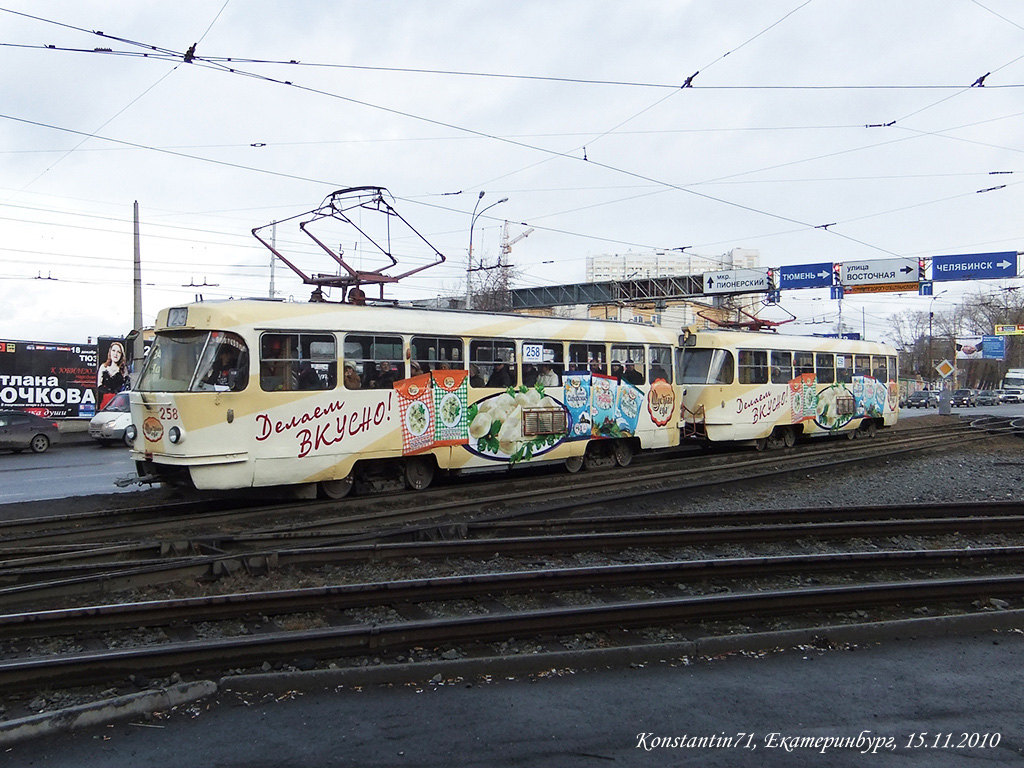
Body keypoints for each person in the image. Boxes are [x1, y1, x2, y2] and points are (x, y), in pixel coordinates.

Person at [97, 341, 129, 409]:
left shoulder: (123, 369)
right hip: (105, 403)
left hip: (119, 403)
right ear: (110, 352)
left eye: (118, 352)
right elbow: (99, 386)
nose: (115, 354)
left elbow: (126, 386)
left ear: (121, 355)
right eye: (114, 350)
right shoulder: (103, 367)